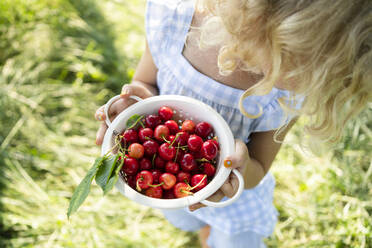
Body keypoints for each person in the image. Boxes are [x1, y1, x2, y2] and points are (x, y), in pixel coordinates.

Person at [94, 0, 372, 247]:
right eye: (297, 64)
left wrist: (240, 169)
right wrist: (134, 107)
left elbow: (259, 168)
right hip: (174, 189)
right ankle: (204, 230)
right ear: (260, 23)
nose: (303, 80)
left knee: (235, 241)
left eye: (314, 72)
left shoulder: (286, 96)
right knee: (187, 217)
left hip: (235, 201)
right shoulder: (174, 18)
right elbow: (145, 83)